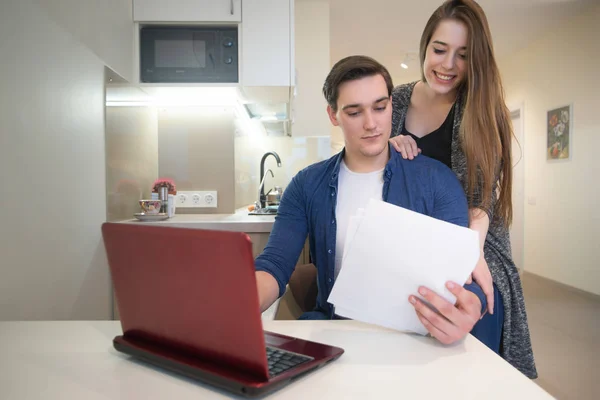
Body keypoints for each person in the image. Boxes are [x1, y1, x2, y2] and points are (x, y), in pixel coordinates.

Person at [255, 55, 500, 348]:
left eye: (380, 108)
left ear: (391, 106)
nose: (371, 124)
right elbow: (274, 265)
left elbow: (461, 276)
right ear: (333, 115)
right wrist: (234, 308)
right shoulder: (307, 185)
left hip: (416, 341)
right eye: (354, 113)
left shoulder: (437, 181)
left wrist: (465, 309)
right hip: (336, 337)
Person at [389, 0, 536, 378]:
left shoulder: (486, 111)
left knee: (466, 314)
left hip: (474, 241)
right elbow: (367, 164)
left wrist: (464, 254)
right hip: (409, 242)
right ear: (425, 46)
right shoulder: (394, 102)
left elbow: (481, 206)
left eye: (463, 55)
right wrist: (384, 150)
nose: (448, 64)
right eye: (439, 50)